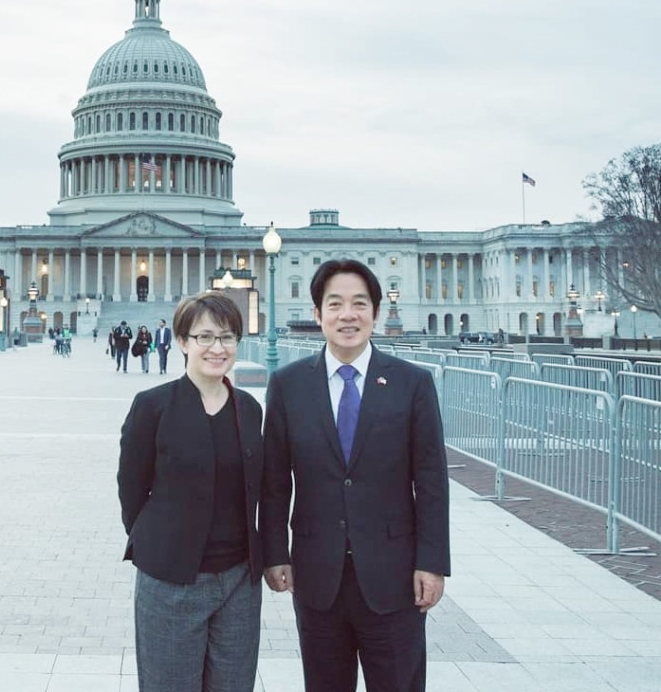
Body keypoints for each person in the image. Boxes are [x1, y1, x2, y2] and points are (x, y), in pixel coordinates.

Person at [260, 260, 450, 692]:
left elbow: (432, 481)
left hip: (395, 576)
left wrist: (432, 563)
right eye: (336, 304)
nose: (348, 315)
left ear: (376, 313)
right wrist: (274, 553)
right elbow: (274, 481)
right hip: (317, 575)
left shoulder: (412, 383)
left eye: (359, 304)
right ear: (317, 314)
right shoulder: (288, 385)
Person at [118, 290, 264, 692]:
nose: (218, 348)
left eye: (228, 337)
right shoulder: (152, 406)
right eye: (205, 337)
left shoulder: (249, 409)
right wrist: (159, 541)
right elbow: (132, 490)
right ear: (182, 342)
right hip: (171, 578)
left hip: (238, 580)